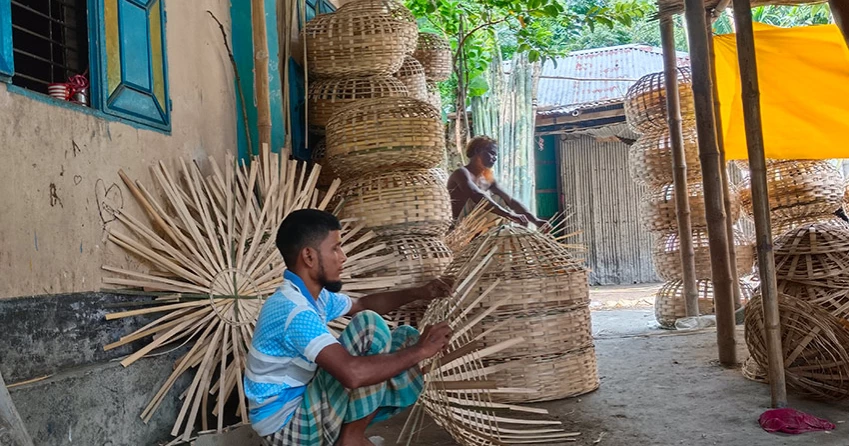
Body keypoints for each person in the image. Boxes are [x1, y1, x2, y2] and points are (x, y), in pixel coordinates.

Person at [245, 209, 454, 446]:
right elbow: (352, 374)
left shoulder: (315, 297)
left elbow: (363, 303)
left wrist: (421, 292)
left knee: (404, 338)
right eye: (335, 248)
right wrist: (421, 351)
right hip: (285, 425)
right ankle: (351, 438)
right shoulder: (293, 309)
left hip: (303, 402)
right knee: (370, 328)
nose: (342, 256)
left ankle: (348, 435)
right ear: (309, 257)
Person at [447, 136, 547, 228]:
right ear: (478, 151)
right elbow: (476, 195)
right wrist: (509, 215)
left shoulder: (488, 178)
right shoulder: (461, 173)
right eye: (492, 153)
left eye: (496, 155)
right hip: (460, 227)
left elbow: (510, 200)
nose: (495, 158)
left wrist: (535, 220)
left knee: (501, 199)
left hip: (478, 226)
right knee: (490, 201)